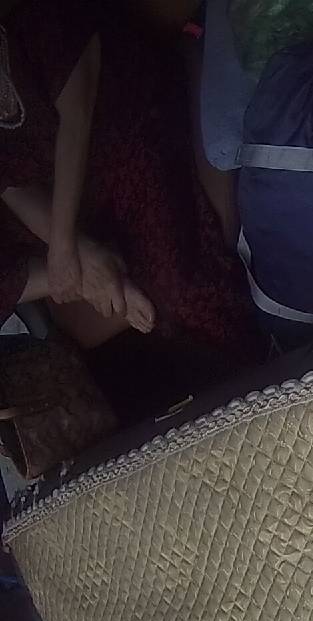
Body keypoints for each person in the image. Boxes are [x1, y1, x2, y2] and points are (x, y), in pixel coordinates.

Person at [0, 0, 265, 422]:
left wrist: (66, 246)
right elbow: (9, 188)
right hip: (41, 199)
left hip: (109, 117)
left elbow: (78, 102)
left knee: (180, 292)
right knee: (127, 333)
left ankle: (258, 391)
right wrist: (85, 270)